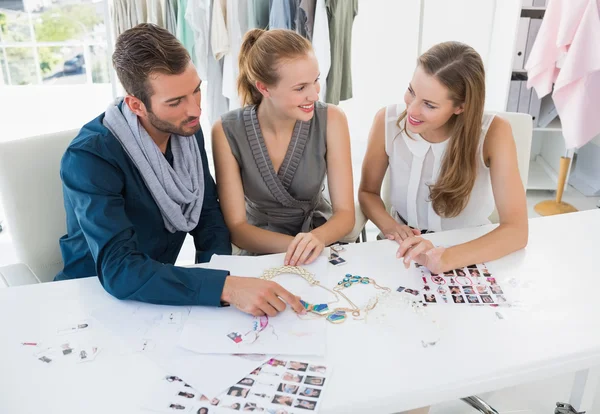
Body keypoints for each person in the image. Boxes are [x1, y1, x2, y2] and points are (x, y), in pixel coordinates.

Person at [54, 24, 304, 317]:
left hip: (159, 292)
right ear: (136, 105)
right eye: (175, 102)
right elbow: (119, 270)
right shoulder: (89, 158)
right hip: (92, 299)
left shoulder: (185, 130)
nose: (195, 110)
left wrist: (222, 276)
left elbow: (208, 214)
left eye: (196, 91)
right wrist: (225, 287)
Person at [358, 41, 528, 274]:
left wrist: (447, 257)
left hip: (470, 248)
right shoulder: (386, 121)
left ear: (460, 107)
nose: (412, 110)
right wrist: (393, 228)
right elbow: (367, 192)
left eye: (429, 104)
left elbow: (517, 230)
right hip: (402, 246)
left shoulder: (494, 133)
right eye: (411, 92)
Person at [212, 29, 355, 266]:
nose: (314, 94)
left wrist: (316, 240)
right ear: (264, 88)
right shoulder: (226, 131)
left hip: (320, 242)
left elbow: (345, 214)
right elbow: (238, 228)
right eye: (300, 88)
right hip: (262, 248)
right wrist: (298, 247)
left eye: (316, 80)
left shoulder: (332, 119)